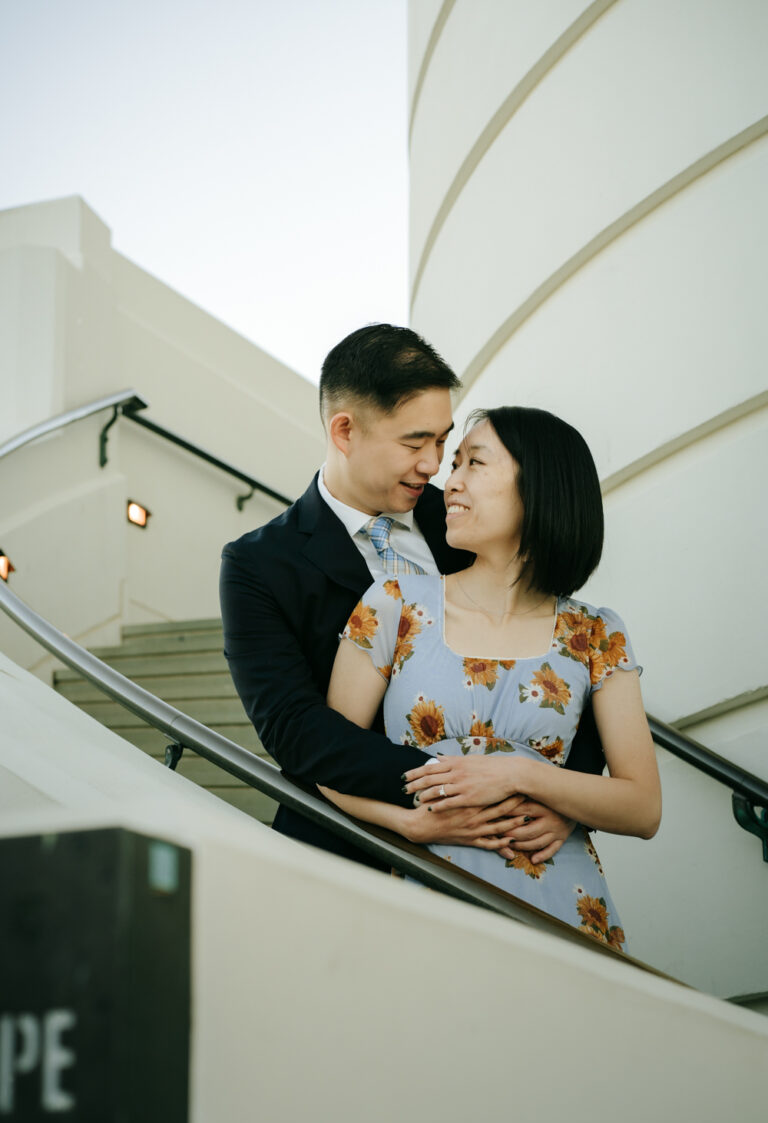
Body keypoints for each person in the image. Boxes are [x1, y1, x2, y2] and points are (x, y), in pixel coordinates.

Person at [220, 325, 600, 870]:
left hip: (511, 847)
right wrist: (450, 792)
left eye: (442, 441)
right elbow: (295, 728)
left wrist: (567, 796)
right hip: (348, 847)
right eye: (414, 442)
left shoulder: (474, 517)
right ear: (345, 431)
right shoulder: (257, 564)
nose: (434, 464)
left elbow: (562, 654)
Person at [321, 405, 661, 950]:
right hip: (423, 891)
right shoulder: (394, 605)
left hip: (562, 907)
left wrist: (521, 776)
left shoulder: (595, 632)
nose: (448, 482)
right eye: (454, 464)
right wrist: (409, 826)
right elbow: (327, 765)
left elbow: (643, 807)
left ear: (539, 489)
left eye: (473, 464)